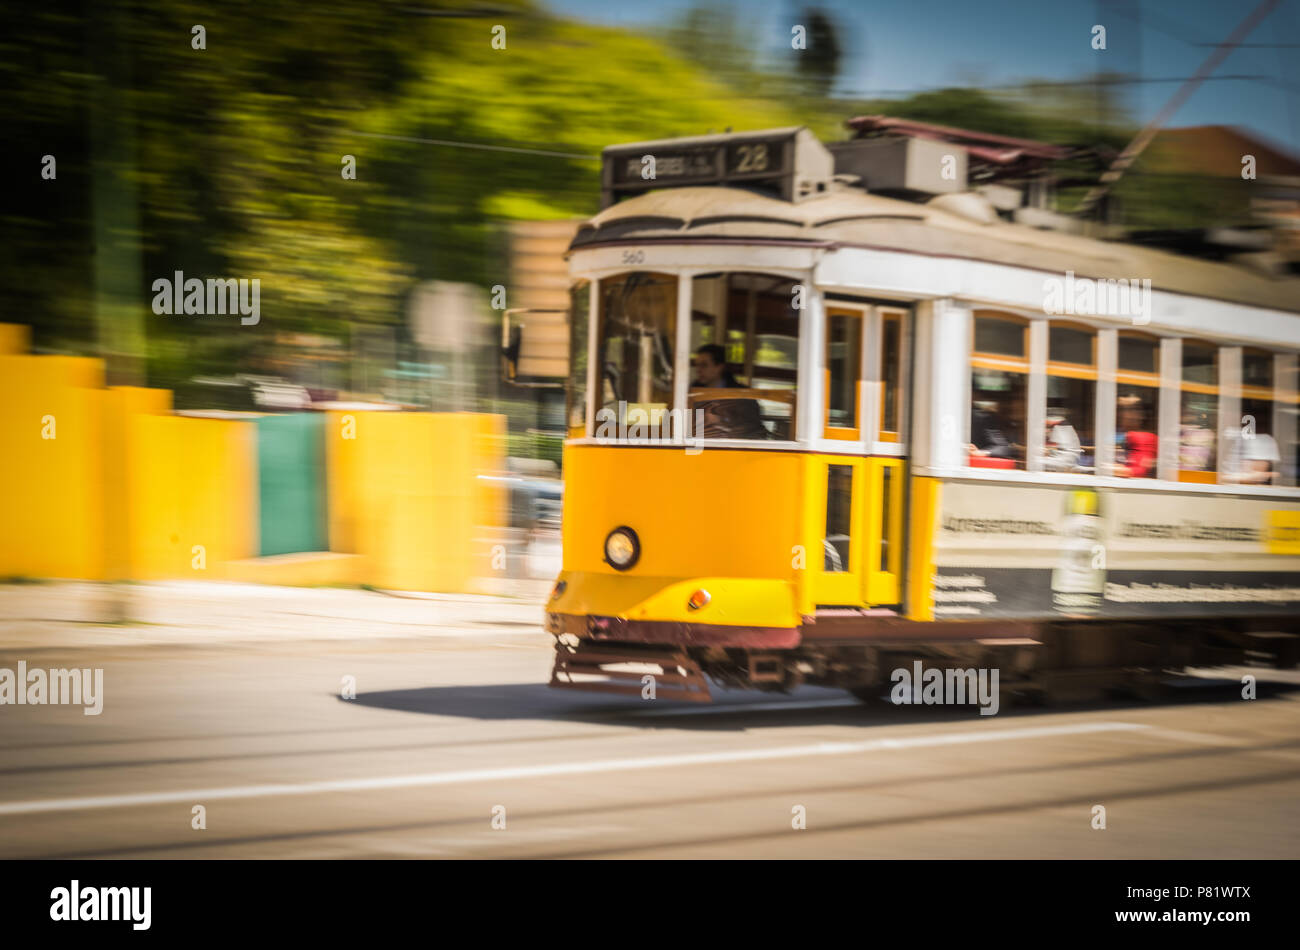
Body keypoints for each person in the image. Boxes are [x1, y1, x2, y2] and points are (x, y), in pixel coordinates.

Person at [690, 344, 767, 439]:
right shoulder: (692, 393)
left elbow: (752, 428)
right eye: (697, 365)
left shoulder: (742, 395)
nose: (698, 370)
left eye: (704, 365)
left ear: (719, 367)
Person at [1114, 395, 1157, 478]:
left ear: (1141, 415)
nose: (1125, 414)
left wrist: (1107, 469)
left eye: (1131, 410)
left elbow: (1139, 471)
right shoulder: (1117, 434)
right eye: (1121, 409)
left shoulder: (1146, 438)